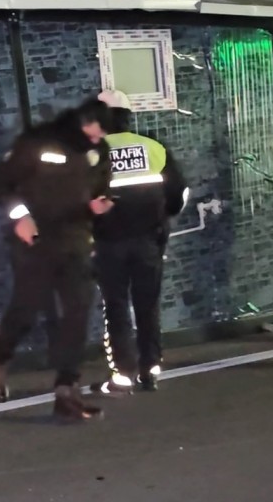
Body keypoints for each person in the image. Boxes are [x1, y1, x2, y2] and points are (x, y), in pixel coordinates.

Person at [0, 96, 116, 421]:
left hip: (75, 240)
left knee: (76, 313)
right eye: (94, 134)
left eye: (101, 137)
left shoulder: (98, 152)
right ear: (81, 123)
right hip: (36, 240)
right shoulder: (38, 143)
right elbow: (1, 182)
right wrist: (20, 216)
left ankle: (67, 391)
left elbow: (101, 188)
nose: (97, 141)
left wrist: (98, 206)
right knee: (28, 307)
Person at [89, 89, 189, 395]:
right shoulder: (152, 146)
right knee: (148, 305)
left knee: (116, 307)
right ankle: (150, 371)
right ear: (128, 116)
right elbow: (179, 193)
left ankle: (122, 375)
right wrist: (162, 221)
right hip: (149, 241)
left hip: (107, 244)